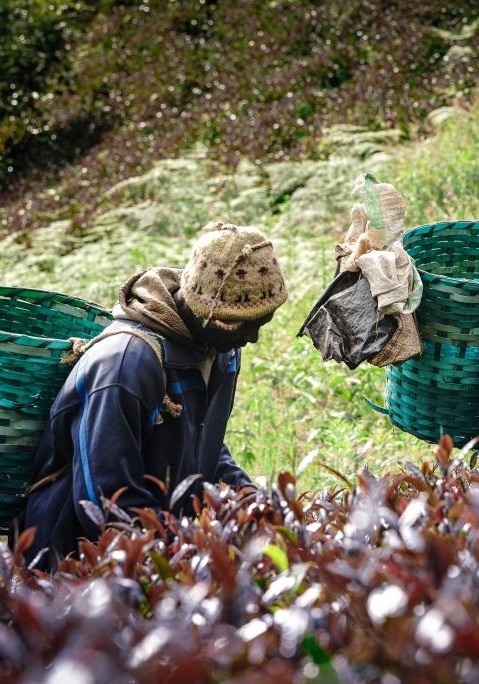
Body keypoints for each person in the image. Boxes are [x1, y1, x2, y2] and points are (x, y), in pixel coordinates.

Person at [16, 221, 288, 569]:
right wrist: (176, 557)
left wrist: (250, 500)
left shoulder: (220, 347)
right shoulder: (125, 365)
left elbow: (200, 442)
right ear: (207, 314)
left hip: (159, 545)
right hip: (70, 556)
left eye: (262, 322)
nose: (253, 338)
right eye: (244, 324)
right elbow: (105, 502)